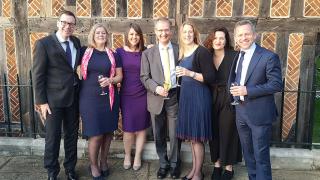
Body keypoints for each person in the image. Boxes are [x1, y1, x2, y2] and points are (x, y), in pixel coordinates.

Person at [229, 20, 282, 180]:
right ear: (235, 37)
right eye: (240, 35)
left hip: (259, 114)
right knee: (248, 155)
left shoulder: (268, 56)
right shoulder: (238, 55)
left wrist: (247, 90)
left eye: (247, 34)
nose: (243, 37)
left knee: (261, 157)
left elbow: (276, 84)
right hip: (241, 113)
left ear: (254, 35)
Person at [32, 10, 80, 180]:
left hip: (73, 98)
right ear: (58, 23)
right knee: (52, 137)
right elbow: (38, 75)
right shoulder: (43, 44)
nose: (68, 26)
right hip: (52, 101)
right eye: (64, 22)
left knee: (72, 136)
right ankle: (52, 171)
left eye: (71, 24)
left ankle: (70, 169)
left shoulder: (75, 41)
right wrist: (41, 102)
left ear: (74, 26)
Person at [79, 23, 123, 180]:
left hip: (109, 98)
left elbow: (120, 76)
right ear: (93, 35)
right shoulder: (84, 52)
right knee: (96, 134)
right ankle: (94, 165)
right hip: (89, 99)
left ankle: (104, 161)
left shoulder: (113, 54)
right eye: (98, 32)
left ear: (107, 35)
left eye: (103, 33)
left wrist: (110, 80)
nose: (100, 35)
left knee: (108, 133)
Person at [140, 17, 181, 179]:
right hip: (156, 97)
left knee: (174, 133)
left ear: (171, 31)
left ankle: (175, 164)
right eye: (160, 30)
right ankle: (163, 164)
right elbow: (144, 76)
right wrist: (156, 88)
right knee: (158, 133)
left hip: (174, 97)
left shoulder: (179, 50)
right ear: (155, 32)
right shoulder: (148, 53)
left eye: (166, 30)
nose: (163, 33)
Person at [175, 22, 216, 180]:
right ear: (181, 35)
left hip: (199, 98)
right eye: (184, 32)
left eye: (190, 32)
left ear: (195, 33)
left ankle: (198, 173)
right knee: (192, 139)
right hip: (187, 97)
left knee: (197, 138)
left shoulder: (202, 52)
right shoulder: (182, 52)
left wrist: (189, 73)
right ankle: (194, 170)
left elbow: (211, 78)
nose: (187, 35)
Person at [203, 27, 242, 180]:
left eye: (222, 38)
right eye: (215, 38)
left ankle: (229, 167)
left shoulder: (234, 55)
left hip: (228, 97)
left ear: (226, 41)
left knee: (228, 131)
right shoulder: (206, 56)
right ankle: (217, 164)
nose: (218, 41)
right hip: (210, 97)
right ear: (211, 40)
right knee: (214, 132)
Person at [115, 23, 151, 171]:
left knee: (142, 128)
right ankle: (127, 155)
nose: (134, 37)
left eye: (136, 34)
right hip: (127, 94)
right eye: (131, 34)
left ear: (140, 36)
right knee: (128, 128)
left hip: (143, 94)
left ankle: (137, 156)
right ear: (127, 36)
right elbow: (116, 73)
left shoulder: (146, 52)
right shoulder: (119, 52)